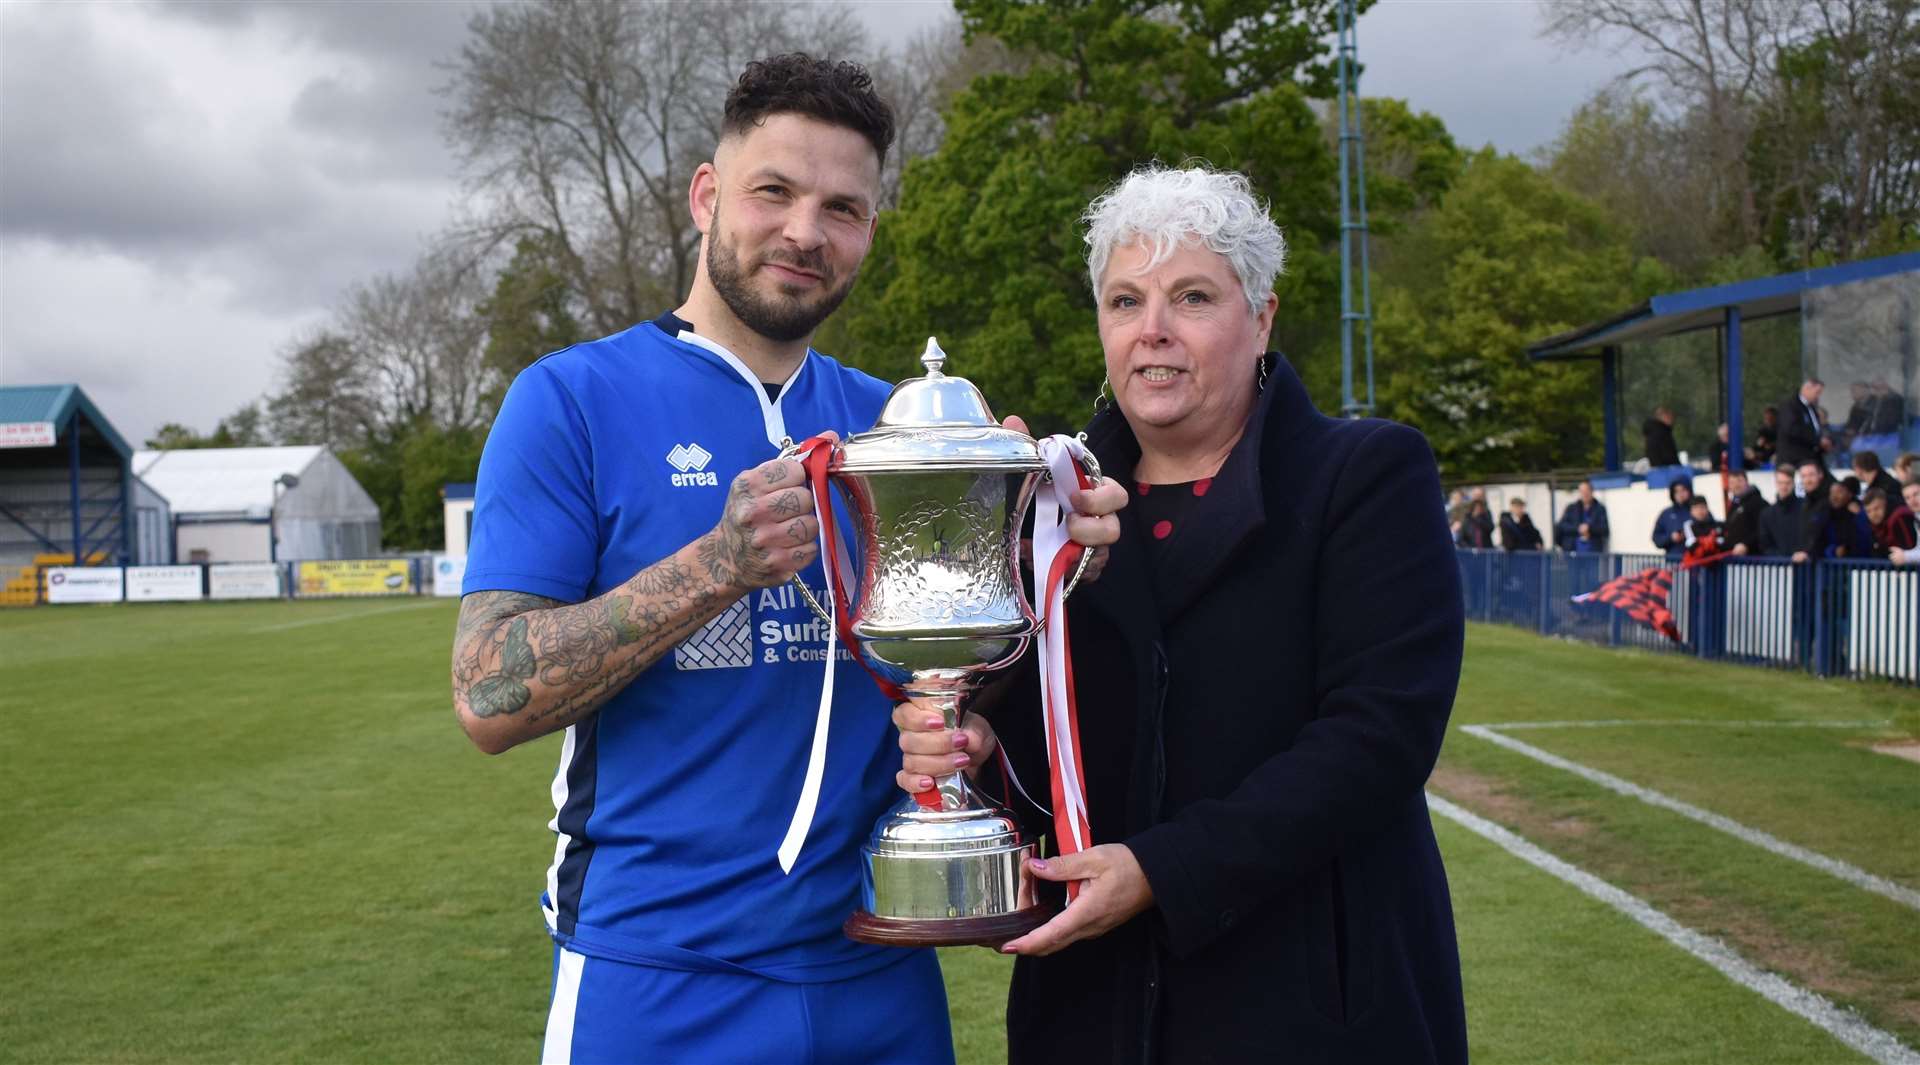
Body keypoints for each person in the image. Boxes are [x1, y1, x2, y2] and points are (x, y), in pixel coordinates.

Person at [447, 54, 1123, 1065]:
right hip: (659, 976)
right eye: (775, 191)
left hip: (879, 965)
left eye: (842, 208)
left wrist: (1048, 555)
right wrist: (717, 564)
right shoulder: (572, 401)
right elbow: (488, 698)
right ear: (708, 196)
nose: (806, 231)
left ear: (868, 234)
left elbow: (954, 691)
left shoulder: (892, 426)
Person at [896, 165, 1467, 1062]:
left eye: (1191, 296)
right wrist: (975, 751)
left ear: (1263, 316)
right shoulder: (1043, 507)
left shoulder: (1363, 475)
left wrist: (1164, 870)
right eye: (1125, 301)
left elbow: (1379, 736)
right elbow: (1048, 749)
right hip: (1091, 1010)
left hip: (1311, 1008)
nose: (1152, 330)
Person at [1802, 479, 1873, 560]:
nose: (1834, 496)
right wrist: (1834, 551)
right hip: (1831, 568)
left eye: (1839, 492)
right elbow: (1818, 542)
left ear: (1849, 494)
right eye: (1832, 493)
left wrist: (1860, 515)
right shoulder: (1825, 515)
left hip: (1860, 566)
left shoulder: (1859, 513)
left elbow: (1866, 539)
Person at [1777, 379, 1830, 468]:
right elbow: (1791, 429)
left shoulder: (1812, 408)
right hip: (1794, 459)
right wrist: (1817, 441)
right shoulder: (1791, 406)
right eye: (1817, 392)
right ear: (1807, 388)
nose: (1818, 396)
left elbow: (1815, 428)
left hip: (1812, 457)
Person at [1758, 466, 1805, 557]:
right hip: (1780, 567)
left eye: (1787, 483)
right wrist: (1782, 559)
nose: (1784, 486)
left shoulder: (1805, 507)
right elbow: (1765, 545)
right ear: (1776, 483)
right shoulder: (1767, 514)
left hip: (1804, 566)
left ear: (1793, 483)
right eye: (1780, 483)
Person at [1555, 480, 1610, 553]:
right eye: (1582, 491)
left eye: (1587, 491)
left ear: (1592, 492)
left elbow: (1605, 529)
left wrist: (1589, 529)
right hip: (1572, 552)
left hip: (1593, 553)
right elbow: (1562, 526)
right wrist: (1578, 529)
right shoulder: (1571, 508)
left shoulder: (1600, 508)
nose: (1585, 494)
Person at [1864, 488, 1917, 562]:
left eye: (1877, 508)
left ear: (1885, 504)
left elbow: (1910, 547)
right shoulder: (1873, 525)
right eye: (1868, 511)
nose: (1873, 514)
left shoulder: (1899, 517)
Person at [1721, 469, 1767, 555]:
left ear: (1746, 482)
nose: (1736, 485)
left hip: (1753, 558)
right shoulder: (1734, 505)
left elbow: (1762, 529)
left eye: (1739, 481)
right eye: (1732, 483)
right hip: (1734, 558)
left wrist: (1746, 545)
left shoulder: (1758, 503)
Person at [1652, 480, 1694, 559]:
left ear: (1689, 491)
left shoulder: (1698, 510)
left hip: (1697, 562)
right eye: (1676, 491)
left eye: (1683, 490)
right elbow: (1656, 538)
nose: (1680, 494)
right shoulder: (1666, 514)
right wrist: (1671, 538)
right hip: (1674, 562)